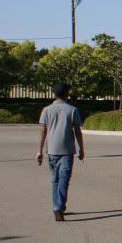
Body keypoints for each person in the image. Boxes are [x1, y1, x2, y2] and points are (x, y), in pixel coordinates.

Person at [38, 81, 84, 221]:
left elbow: (43, 130)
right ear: (66, 94)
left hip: (51, 150)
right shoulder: (72, 110)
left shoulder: (46, 110)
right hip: (67, 150)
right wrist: (81, 148)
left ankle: (57, 207)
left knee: (55, 180)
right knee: (64, 179)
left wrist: (39, 150)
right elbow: (77, 131)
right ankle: (58, 207)